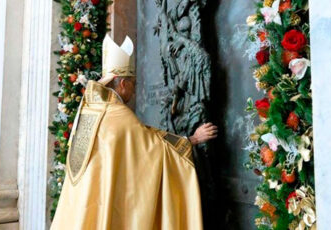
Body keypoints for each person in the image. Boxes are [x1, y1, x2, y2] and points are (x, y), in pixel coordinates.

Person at [51, 36, 217, 229]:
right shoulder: (118, 113)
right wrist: (193, 139)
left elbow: (142, 135)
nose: (134, 89)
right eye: (133, 83)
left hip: (84, 203)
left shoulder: (91, 108)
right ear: (122, 84)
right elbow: (152, 148)